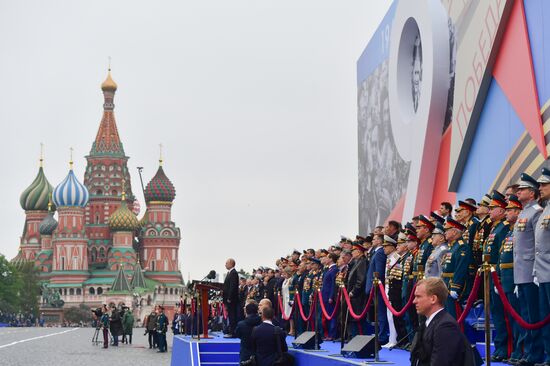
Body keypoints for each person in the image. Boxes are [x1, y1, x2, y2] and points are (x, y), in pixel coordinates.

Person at [513, 173, 545, 365]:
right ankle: (529, 353)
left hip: (532, 271)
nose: (519, 192)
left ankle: (536, 354)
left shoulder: (537, 212)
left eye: (522, 189)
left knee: (534, 316)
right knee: (526, 316)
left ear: (532, 193)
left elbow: (537, 244)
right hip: (521, 272)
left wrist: (534, 271)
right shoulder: (524, 212)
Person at [410, 277, 467, 366]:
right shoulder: (429, 323)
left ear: (433, 299)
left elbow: (441, 362)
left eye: (418, 296)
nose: (414, 301)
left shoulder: (445, 326)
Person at [497, 195, 525, 363]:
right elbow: (503, 256)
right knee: (511, 317)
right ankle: (515, 350)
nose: (506, 213)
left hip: (517, 276)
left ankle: (520, 350)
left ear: (517, 211)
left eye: (509, 210)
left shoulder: (517, 229)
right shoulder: (509, 231)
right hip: (506, 278)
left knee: (519, 316)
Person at [535, 167, 550, 366]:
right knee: (545, 318)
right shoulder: (545, 208)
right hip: (542, 272)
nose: (541, 188)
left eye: (545, 184)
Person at [365, 234, 390, 345]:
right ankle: (381, 333)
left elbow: (378, 271)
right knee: (378, 312)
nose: (373, 241)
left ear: (380, 241)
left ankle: (383, 335)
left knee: (381, 312)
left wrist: (375, 285)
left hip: (377, 287)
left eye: (375, 239)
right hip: (374, 287)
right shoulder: (376, 252)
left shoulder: (379, 253)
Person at [321, 252, 338, 340]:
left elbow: (333, 284)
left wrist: (331, 296)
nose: (325, 259)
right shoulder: (329, 269)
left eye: (327, 258)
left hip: (329, 296)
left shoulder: (334, 269)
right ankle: (328, 334)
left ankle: (332, 334)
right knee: (327, 315)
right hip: (325, 296)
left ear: (331, 259)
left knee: (331, 315)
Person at [223, 258, 239, 338]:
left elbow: (232, 287)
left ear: (231, 264)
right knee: (230, 316)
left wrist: (229, 298)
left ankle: (233, 333)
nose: (225, 264)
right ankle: (231, 331)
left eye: (226, 263)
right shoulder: (229, 273)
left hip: (231, 300)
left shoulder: (233, 273)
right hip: (228, 299)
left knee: (232, 316)